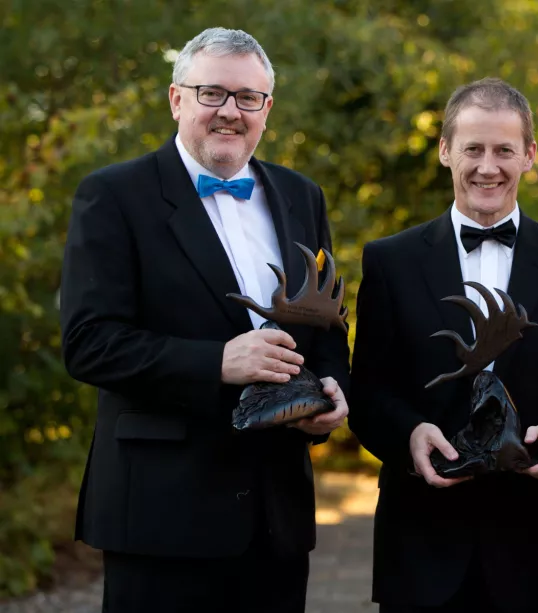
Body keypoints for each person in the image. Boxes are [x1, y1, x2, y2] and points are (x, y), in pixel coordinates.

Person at [59, 27, 350, 613]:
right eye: (212, 93)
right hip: (161, 516)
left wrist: (331, 389)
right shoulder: (114, 195)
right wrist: (217, 362)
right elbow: (88, 343)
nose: (229, 112)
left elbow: (328, 323)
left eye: (247, 98)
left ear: (267, 109)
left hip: (275, 516)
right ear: (177, 99)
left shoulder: (302, 195)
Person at [349, 77, 538, 613]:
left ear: (530, 156)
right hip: (421, 545)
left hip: (537, 548)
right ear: (446, 150)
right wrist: (409, 435)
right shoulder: (389, 261)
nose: (487, 166)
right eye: (473, 148)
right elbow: (369, 392)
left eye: (504, 150)